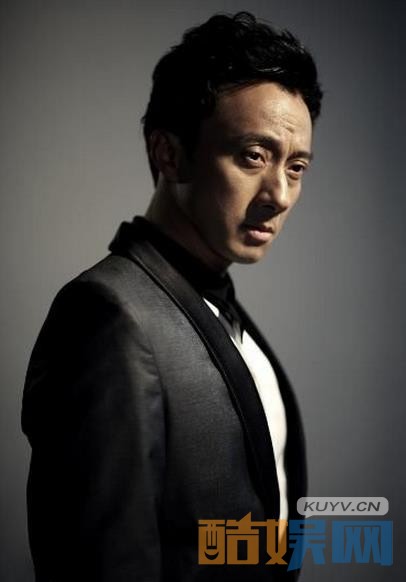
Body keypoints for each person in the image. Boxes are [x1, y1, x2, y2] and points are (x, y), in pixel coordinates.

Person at [22, 11, 322, 582]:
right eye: (253, 155)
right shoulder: (107, 316)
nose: (280, 194)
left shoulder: (217, 308)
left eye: (297, 166)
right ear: (169, 153)